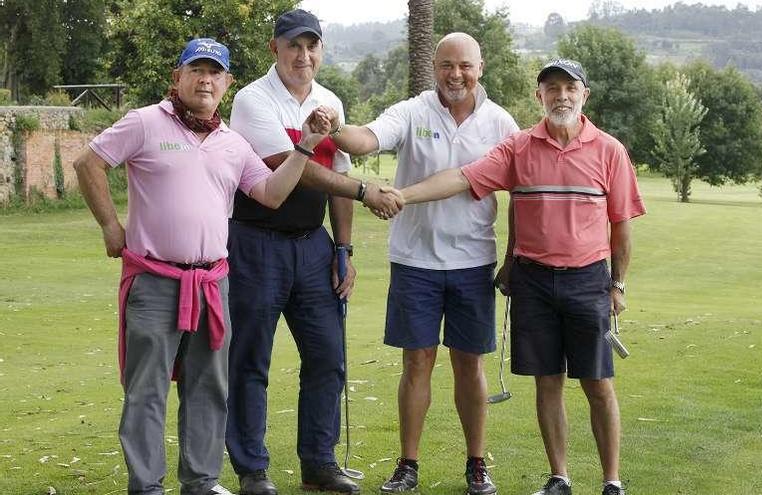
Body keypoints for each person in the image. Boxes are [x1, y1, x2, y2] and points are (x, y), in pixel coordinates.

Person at [72, 38, 336, 495]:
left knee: (208, 387)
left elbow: (271, 194)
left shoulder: (232, 143)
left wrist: (307, 146)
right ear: (178, 77)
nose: (206, 79)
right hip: (155, 278)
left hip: (212, 283)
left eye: (216, 73)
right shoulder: (145, 122)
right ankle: (147, 485)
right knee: (147, 389)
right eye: (197, 70)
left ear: (227, 83)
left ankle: (201, 480)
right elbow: (88, 162)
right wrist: (111, 226)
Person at [396, 59, 646, 495]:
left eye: (570, 88)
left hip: (588, 280)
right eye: (552, 89)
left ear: (584, 95)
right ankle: (559, 477)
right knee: (547, 382)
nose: (561, 96)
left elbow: (621, 224)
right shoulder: (519, 147)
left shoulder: (609, 150)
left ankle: (612, 481)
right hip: (533, 282)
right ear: (539, 97)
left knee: (597, 383)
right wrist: (403, 195)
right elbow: (462, 177)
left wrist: (618, 285)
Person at [314, 32, 518, 495]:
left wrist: (512, 256)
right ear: (434, 68)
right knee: (417, 362)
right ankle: (408, 464)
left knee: (469, 365)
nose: (455, 75)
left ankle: (477, 465)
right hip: (415, 261)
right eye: (446, 65)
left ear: (480, 68)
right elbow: (366, 140)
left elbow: (519, 193)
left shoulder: (501, 122)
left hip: (472, 260)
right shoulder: (412, 110)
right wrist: (333, 129)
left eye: (464, 65)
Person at [223, 9, 401, 495]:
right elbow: (290, 165)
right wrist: (366, 190)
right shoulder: (252, 100)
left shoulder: (329, 101)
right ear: (274, 49)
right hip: (256, 242)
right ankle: (252, 469)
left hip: (312, 245)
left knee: (327, 356)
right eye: (293, 46)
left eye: (312, 46)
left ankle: (318, 463)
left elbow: (336, 180)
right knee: (251, 358)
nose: (304, 56)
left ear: (321, 49)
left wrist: (343, 248)